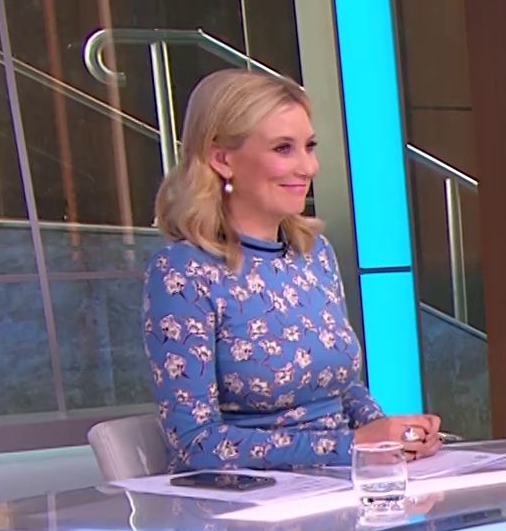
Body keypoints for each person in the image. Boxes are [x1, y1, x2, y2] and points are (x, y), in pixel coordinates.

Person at [144, 69, 439, 472]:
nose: (309, 167)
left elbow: (344, 389)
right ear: (222, 159)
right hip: (246, 497)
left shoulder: (315, 253)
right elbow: (195, 444)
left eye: (309, 147)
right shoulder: (182, 272)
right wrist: (351, 446)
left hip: (340, 480)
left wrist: (395, 436)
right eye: (284, 149)